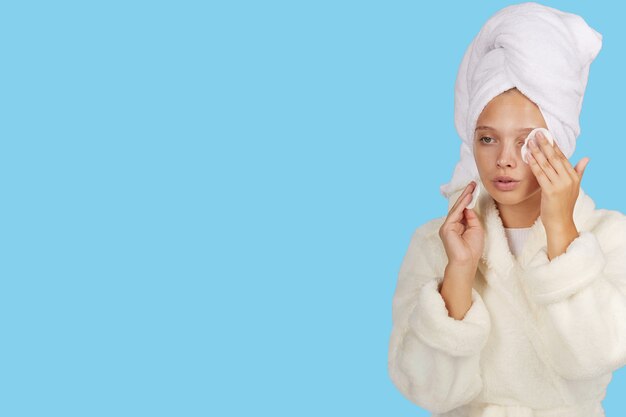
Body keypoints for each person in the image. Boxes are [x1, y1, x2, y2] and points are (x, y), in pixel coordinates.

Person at [387, 3, 626, 417]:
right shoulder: (435, 242)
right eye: (487, 139)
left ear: (560, 141)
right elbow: (426, 391)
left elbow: (598, 356)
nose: (505, 160)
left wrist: (562, 236)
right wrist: (458, 274)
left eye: (527, 139)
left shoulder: (608, 236)